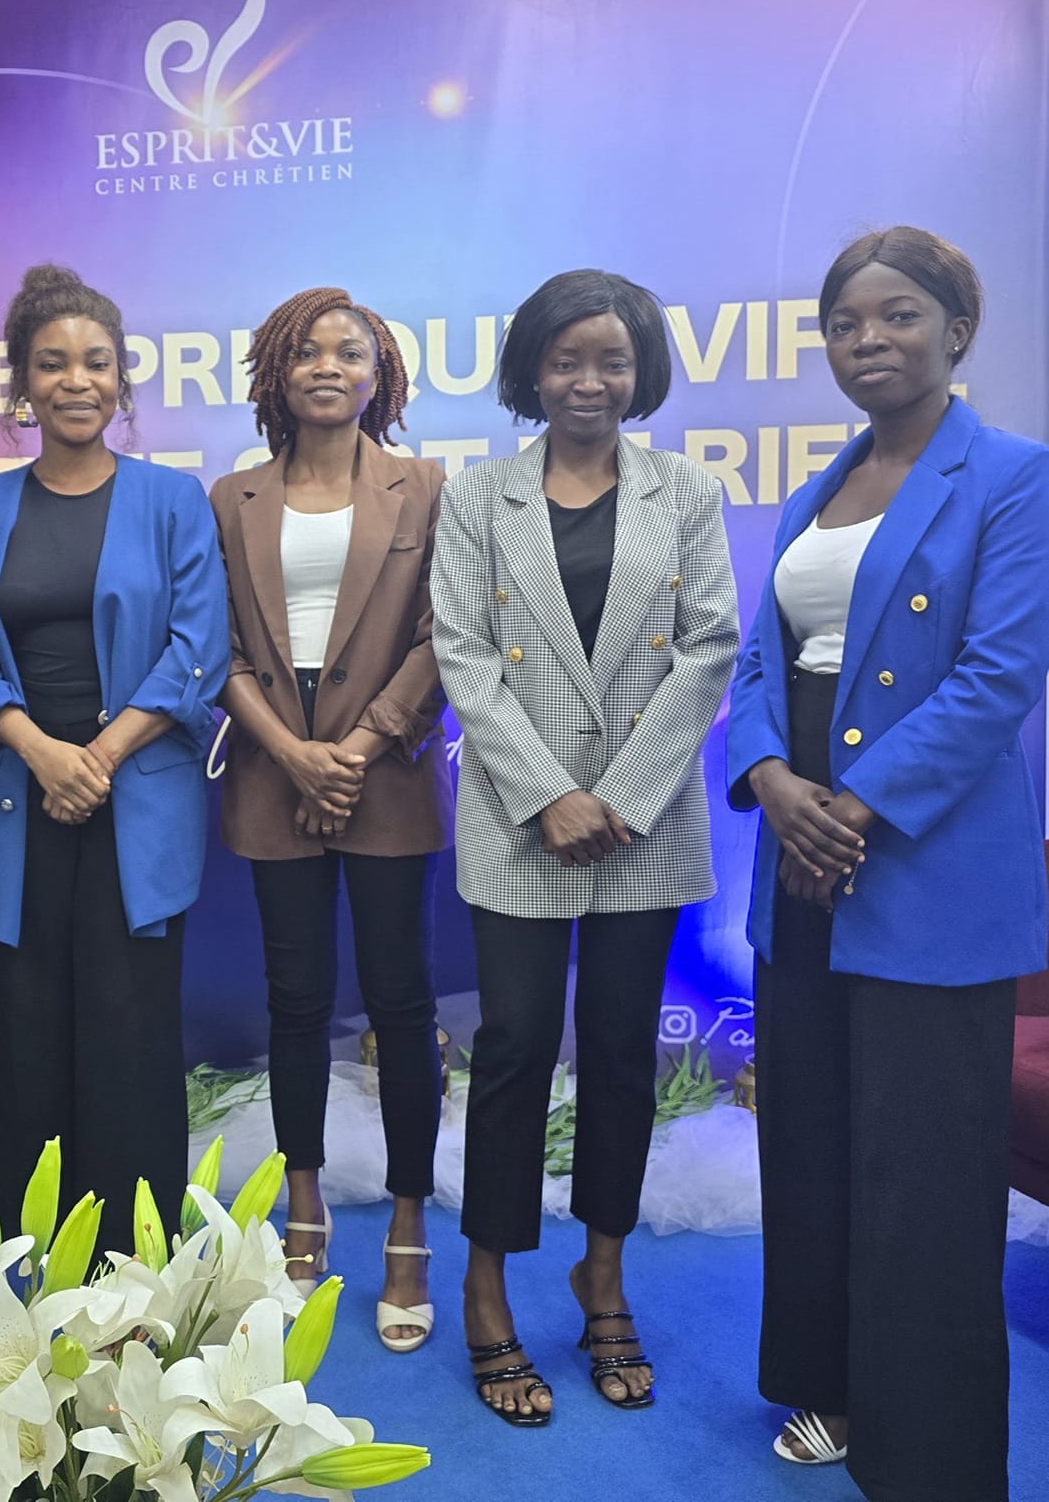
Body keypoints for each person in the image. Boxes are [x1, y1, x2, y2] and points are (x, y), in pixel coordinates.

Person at [725, 227, 1049, 1500]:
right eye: (845, 322)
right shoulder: (817, 488)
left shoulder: (1011, 475)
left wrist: (849, 809)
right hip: (796, 843)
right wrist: (767, 779)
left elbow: (995, 678)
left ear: (956, 330)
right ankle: (830, 1385)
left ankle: (928, 1455)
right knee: (809, 1140)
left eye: (898, 315)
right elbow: (759, 659)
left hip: (918, 856)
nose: (868, 339)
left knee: (921, 1166)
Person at [430, 269, 739, 1425]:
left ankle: (600, 1275)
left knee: (617, 1055)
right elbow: (462, 654)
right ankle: (484, 1285)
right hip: (521, 819)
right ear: (531, 369)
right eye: (565, 359)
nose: (588, 381)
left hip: (638, 823)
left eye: (610, 360)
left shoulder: (685, 491)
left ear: (639, 370)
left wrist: (615, 795)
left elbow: (709, 647)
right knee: (511, 1048)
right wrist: (549, 795)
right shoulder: (479, 495)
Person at [0, 264, 227, 1257]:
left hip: (133, 795)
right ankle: (39, 1266)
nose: (76, 380)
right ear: (21, 384)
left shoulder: (171, 499)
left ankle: (138, 1270)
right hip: (23, 799)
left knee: (130, 1032)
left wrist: (95, 759)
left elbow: (199, 648)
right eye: (52, 363)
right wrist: (40, 753)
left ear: (122, 379)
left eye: (96, 362)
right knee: (28, 1034)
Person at [210, 287, 449, 1349]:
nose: (326, 365)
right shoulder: (231, 497)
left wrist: (357, 747)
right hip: (275, 771)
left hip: (384, 771)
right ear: (276, 371)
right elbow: (215, 647)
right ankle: (301, 1209)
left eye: (348, 352)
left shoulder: (425, 487)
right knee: (295, 1000)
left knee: (400, 1002)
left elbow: (445, 633)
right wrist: (293, 752)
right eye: (305, 351)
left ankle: (407, 1223)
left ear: (377, 373)